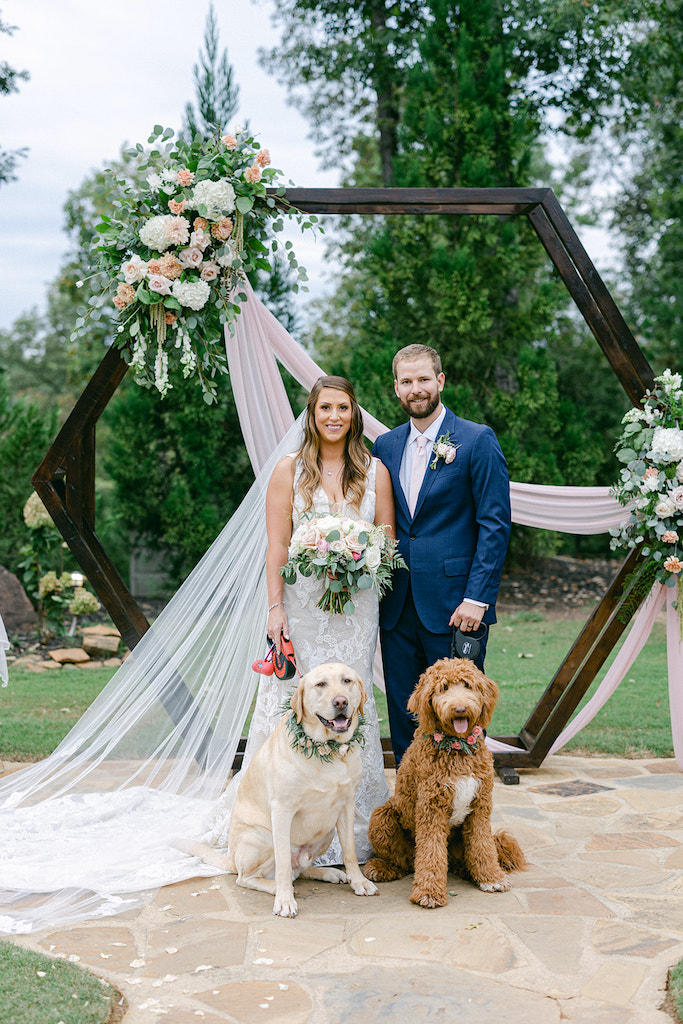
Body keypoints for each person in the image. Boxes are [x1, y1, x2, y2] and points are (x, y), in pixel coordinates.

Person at [204, 375, 394, 864]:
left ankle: (354, 820)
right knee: (292, 702)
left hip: (356, 608)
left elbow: (387, 542)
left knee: (349, 698)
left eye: (343, 408)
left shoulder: (376, 473)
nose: (334, 417)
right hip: (303, 607)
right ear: (311, 414)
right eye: (325, 407)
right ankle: (278, 816)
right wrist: (275, 608)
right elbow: (277, 547)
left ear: (355, 415)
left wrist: (361, 559)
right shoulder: (289, 471)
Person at [373, 345, 511, 765]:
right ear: (396, 388)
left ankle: (462, 817)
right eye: (407, 381)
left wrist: (477, 598)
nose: (416, 389)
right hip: (396, 606)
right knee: (404, 714)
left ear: (441, 381)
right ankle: (414, 813)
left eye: (424, 380)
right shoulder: (385, 445)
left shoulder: (476, 439)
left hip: (456, 607)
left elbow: (495, 524)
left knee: (459, 718)